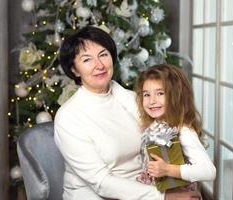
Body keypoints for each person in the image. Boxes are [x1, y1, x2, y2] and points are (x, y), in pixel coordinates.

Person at [54, 26, 173, 200]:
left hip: (143, 188)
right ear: (74, 70)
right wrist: (162, 197)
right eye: (87, 60)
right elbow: (101, 182)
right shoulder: (68, 118)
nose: (99, 65)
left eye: (103, 55)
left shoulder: (133, 99)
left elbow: (162, 139)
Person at [134, 64, 216, 197]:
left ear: (176, 96)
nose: (152, 101)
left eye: (160, 93)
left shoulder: (183, 130)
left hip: (178, 196)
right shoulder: (152, 126)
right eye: (146, 95)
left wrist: (168, 169)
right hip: (154, 194)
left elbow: (209, 171)